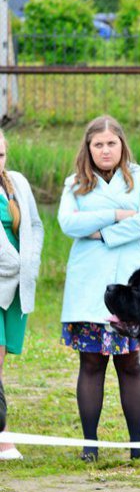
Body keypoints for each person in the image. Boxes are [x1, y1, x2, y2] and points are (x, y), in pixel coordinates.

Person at [58, 116, 140, 463]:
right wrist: (115, 214)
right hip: (89, 285)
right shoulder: (75, 183)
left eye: (110, 143)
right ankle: (89, 445)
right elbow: (69, 223)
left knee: (131, 364)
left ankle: (137, 445)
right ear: (88, 148)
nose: (104, 150)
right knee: (91, 363)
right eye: (97, 145)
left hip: (130, 285)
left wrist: (100, 233)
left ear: (121, 145)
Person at [0, 130, 44, 461]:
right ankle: (3, 439)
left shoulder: (17, 182)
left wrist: (30, 261)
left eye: (0, 154)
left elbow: (36, 227)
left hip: (16, 290)